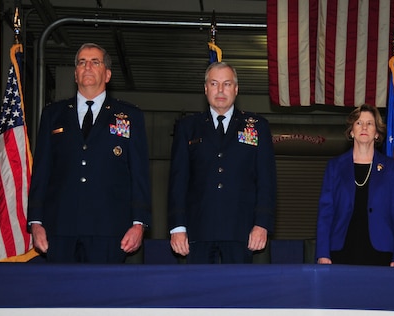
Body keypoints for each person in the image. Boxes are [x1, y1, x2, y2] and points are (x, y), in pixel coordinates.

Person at [28, 43, 151, 263]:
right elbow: (42, 171)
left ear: (108, 74)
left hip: (110, 229)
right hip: (60, 229)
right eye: (82, 62)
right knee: (61, 295)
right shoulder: (52, 115)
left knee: (104, 295)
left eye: (95, 62)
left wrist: (139, 223)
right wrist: (35, 222)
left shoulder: (130, 116)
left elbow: (140, 174)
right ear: (75, 74)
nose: (88, 67)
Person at [168, 62, 276, 263]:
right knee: (197, 293)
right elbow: (178, 180)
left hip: (242, 230)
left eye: (226, 84)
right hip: (197, 231)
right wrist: (177, 227)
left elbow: (266, 180)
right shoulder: (187, 127)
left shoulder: (257, 127)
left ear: (236, 89)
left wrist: (262, 224)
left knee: (239, 293)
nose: (220, 90)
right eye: (214, 83)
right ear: (206, 88)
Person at [315, 104, 394, 267]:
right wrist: (322, 253)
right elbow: (325, 213)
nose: (364, 127)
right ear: (351, 131)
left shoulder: (391, 168)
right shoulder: (335, 166)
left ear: (377, 134)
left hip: (381, 252)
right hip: (341, 250)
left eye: (370, 123)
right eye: (358, 123)